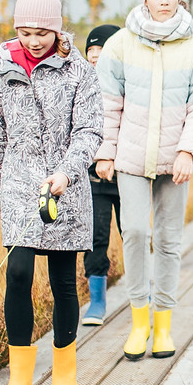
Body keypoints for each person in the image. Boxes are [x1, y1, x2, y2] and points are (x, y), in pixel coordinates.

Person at [93, 0, 193, 361]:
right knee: (133, 231)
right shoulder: (121, 45)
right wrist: (104, 151)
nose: (163, 2)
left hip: (175, 161)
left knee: (168, 240)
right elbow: (105, 102)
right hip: (130, 157)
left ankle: (163, 323)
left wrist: (188, 151)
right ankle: (138, 322)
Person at [0, 0, 102, 385]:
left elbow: (89, 131)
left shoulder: (79, 73)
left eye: (41, 32)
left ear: (57, 30)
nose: (33, 41)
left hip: (62, 188)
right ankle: (19, 383)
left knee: (62, 281)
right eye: (25, 31)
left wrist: (68, 172)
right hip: (17, 183)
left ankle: (64, 378)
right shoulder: (2, 70)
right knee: (17, 272)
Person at [80, 22, 123, 326]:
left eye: (101, 49)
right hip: (93, 179)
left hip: (128, 174)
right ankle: (97, 301)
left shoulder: (130, 85)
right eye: (90, 51)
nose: (94, 56)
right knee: (96, 237)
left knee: (134, 233)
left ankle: (142, 293)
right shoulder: (80, 87)